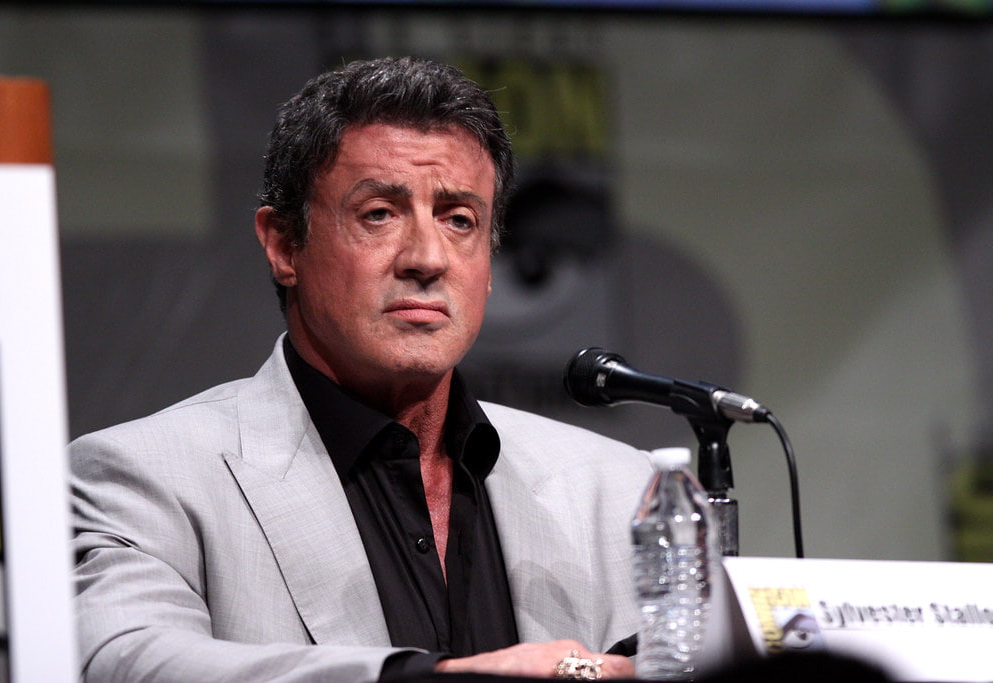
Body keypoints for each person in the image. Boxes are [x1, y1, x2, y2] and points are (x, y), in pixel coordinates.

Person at [70, 56, 653, 681]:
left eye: (460, 220)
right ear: (284, 245)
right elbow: (128, 661)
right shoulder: (143, 479)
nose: (428, 258)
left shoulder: (619, 490)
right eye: (379, 213)